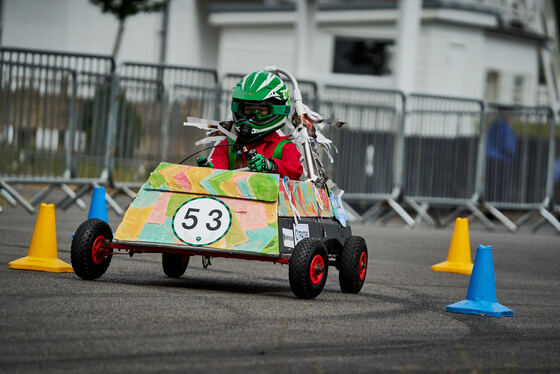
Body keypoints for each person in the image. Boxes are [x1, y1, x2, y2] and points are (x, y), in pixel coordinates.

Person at [200, 71, 303, 180]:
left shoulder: (284, 147)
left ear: (276, 111)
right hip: (232, 195)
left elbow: (295, 171)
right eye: (248, 110)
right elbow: (217, 172)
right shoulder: (227, 146)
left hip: (272, 196)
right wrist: (208, 171)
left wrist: (271, 166)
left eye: (261, 110)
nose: (252, 116)